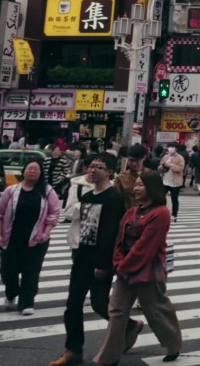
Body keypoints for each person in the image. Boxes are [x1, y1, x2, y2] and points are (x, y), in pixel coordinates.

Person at [92, 171, 183, 365]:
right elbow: (120, 240)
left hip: (149, 270)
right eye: (136, 185)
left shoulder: (160, 213)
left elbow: (145, 246)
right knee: (116, 311)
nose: (136, 188)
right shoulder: (132, 211)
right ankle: (109, 356)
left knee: (155, 309)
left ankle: (173, 345)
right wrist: (118, 262)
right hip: (125, 269)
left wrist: (123, 265)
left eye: (140, 185)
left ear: (152, 188)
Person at [50, 152, 129, 366]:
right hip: (82, 256)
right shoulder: (88, 196)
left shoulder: (113, 199)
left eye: (100, 167)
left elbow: (110, 235)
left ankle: (128, 328)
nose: (93, 170)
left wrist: (104, 265)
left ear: (110, 172)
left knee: (99, 304)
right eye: (92, 166)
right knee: (73, 304)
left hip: (100, 261)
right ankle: (73, 350)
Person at [0, 156, 61, 315]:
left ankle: (27, 302)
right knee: (7, 272)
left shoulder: (47, 191)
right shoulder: (11, 191)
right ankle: (11, 293)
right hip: (11, 239)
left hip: (36, 240)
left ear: (41, 173)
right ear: (23, 171)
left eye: (36, 169)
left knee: (31, 272)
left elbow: (54, 212)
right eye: (30, 168)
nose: (33, 171)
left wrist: (46, 232)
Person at [160, 145, 185, 222]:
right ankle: (161, 213)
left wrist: (170, 165)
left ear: (175, 149)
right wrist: (161, 167)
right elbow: (161, 164)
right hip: (165, 181)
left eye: (172, 147)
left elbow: (180, 169)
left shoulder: (180, 158)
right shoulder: (165, 156)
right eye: (169, 147)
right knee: (161, 198)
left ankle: (174, 215)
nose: (170, 149)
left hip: (175, 182)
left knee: (174, 199)